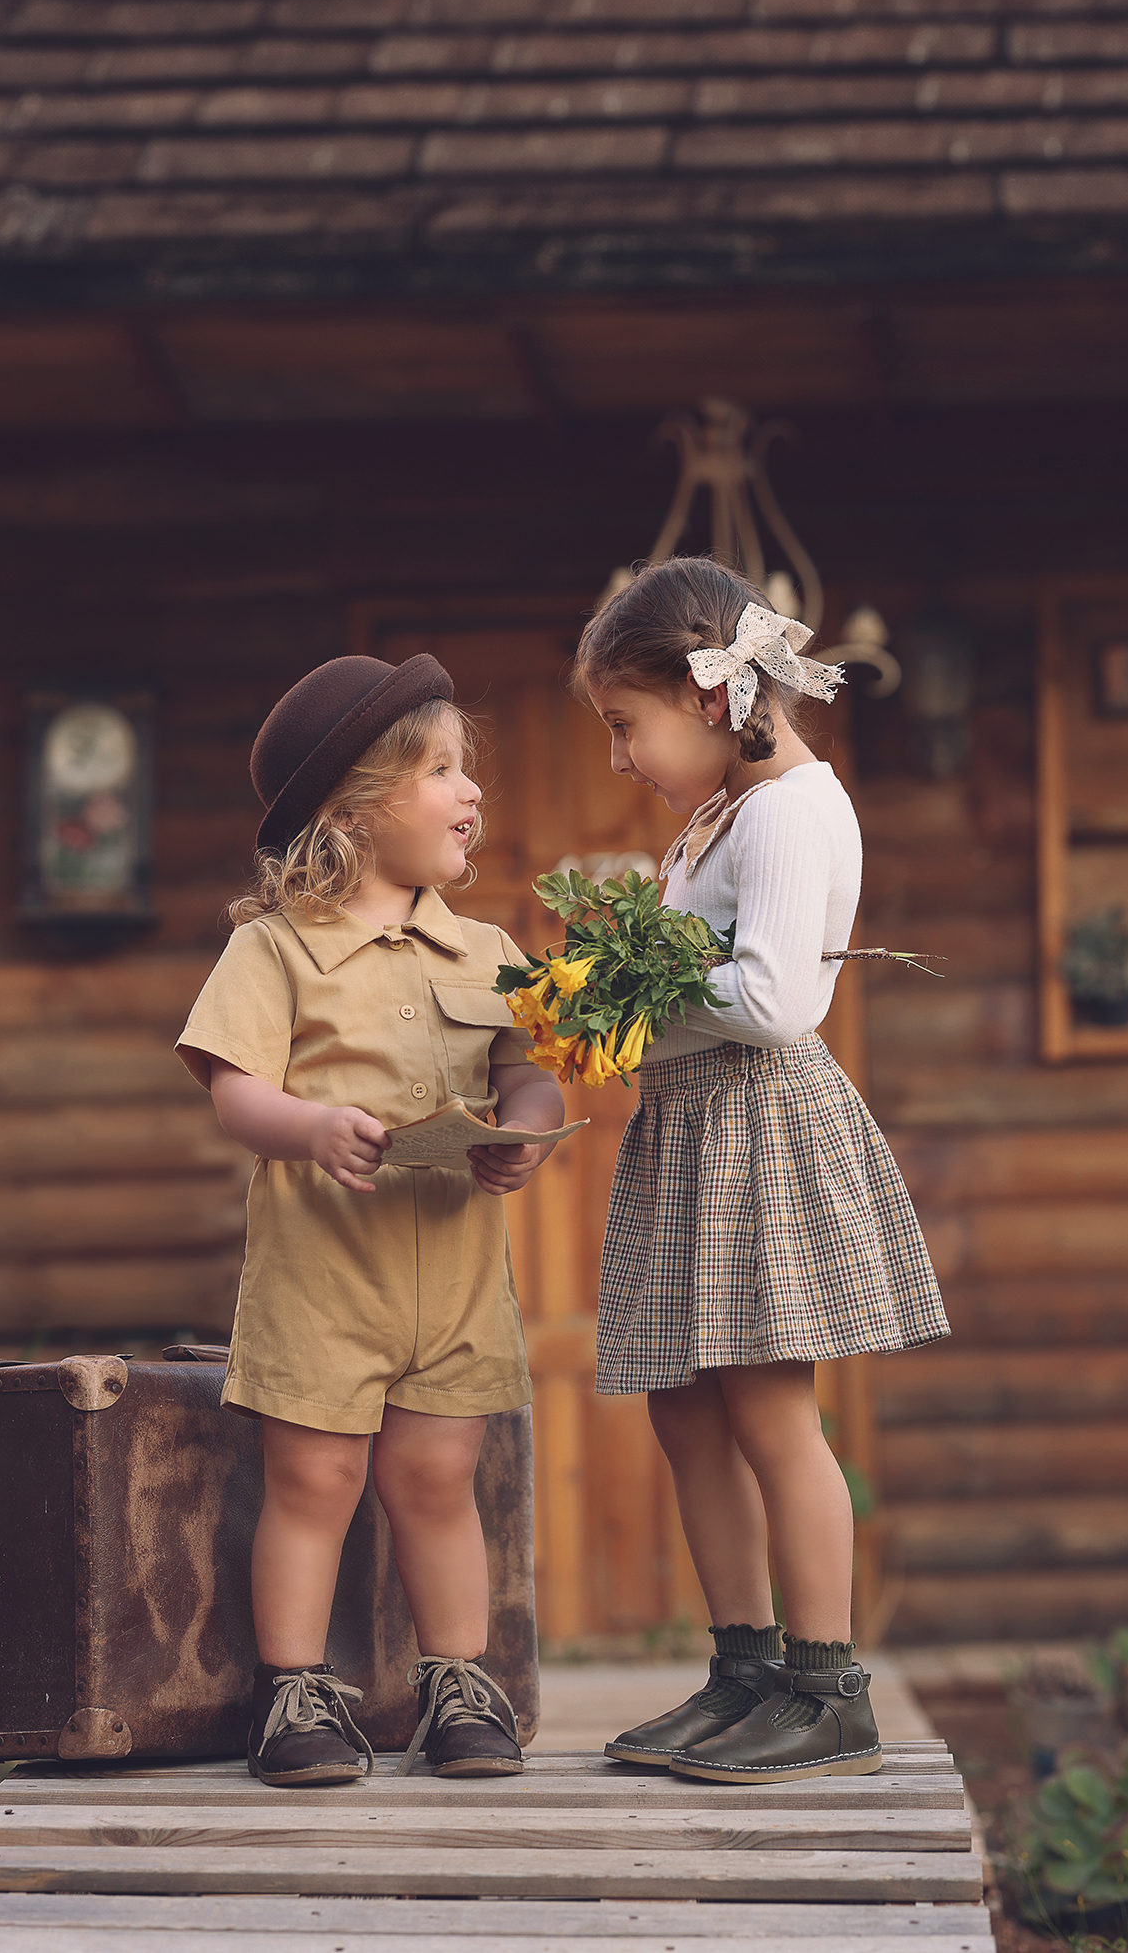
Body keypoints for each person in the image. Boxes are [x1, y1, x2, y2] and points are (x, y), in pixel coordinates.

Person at [573, 559, 949, 1783]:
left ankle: (827, 1683)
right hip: (689, 1122)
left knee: (770, 1409)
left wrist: (626, 998)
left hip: (754, 1125)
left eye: (626, 725)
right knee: (685, 1406)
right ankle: (743, 1670)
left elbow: (781, 998)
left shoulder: (794, 806)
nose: (621, 756)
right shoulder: (716, 816)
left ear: (704, 692)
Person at [176, 654, 563, 1788]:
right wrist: (305, 1128)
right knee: (314, 1483)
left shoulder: (489, 951)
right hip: (320, 1276)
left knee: (439, 1480)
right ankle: (294, 1692)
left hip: (450, 1278)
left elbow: (528, 1069)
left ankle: (456, 1682)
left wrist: (523, 1129)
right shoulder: (274, 946)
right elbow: (231, 1085)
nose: (471, 791)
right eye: (441, 770)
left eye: (467, 768)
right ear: (351, 809)